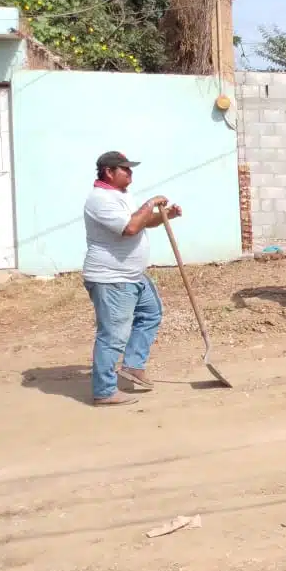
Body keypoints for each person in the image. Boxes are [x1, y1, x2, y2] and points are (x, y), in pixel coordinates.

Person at [83, 151, 180, 407]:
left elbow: (143, 222)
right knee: (113, 335)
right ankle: (104, 391)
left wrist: (165, 215)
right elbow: (130, 228)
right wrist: (150, 203)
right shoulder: (99, 200)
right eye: (125, 169)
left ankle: (133, 366)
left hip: (132, 275)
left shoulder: (122, 196)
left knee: (151, 314)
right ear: (108, 172)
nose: (130, 173)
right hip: (111, 278)